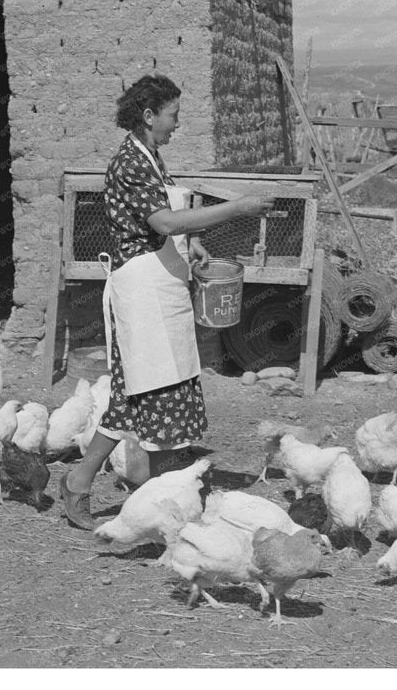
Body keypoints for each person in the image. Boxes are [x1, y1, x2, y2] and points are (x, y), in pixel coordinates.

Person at [59, 73, 273, 530]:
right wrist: (236, 209)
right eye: (173, 116)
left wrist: (190, 243)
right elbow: (164, 221)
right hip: (141, 290)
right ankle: (166, 506)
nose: (177, 124)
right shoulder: (130, 163)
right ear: (148, 115)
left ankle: (81, 482)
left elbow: (167, 223)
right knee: (157, 393)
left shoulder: (150, 156)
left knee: (133, 396)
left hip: (162, 283)